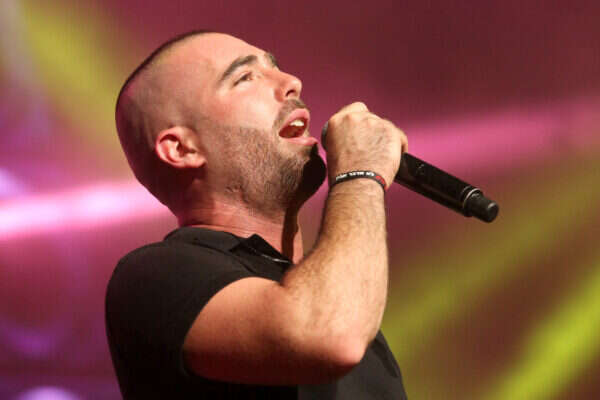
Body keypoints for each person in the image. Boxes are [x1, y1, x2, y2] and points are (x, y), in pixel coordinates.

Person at [105, 30, 409, 399]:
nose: (291, 82)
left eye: (275, 66)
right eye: (245, 77)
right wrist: (360, 173)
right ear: (182, 148)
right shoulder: (154, 276)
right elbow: (328, 333)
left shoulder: (342, 292)